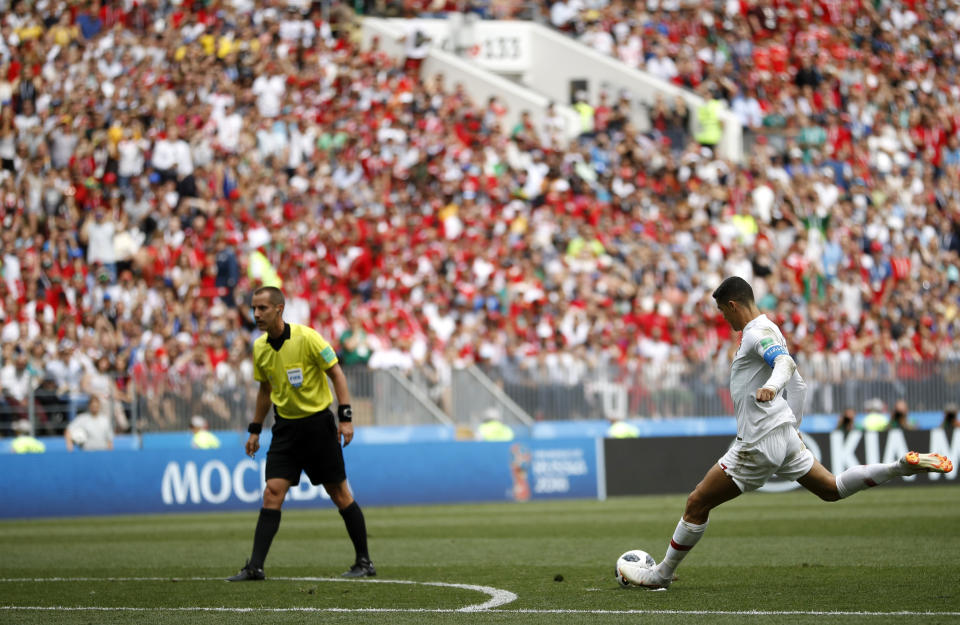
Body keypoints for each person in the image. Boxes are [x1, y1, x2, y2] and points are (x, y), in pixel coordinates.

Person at [621, 277, 953, 590]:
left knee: (697, 503)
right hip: (783, 433)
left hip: (759, 441)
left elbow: (785, 368)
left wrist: (769, 387)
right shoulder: (771, 328)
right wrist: (793, 426)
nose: (723, 318)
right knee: (832, 488)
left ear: (734, 305)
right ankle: (899, 467)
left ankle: (660, 574)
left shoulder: (755, 333)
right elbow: (799, 383)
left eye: (723, 311)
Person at [227, 286, 374, 582]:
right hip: (285, 431)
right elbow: (265, 391)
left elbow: (337, 374)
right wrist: (255, 429)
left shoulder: (308, 338)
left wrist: (346, 418)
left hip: (319, 427)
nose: (256, 314)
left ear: (279, 309)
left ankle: (364, 562)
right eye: (254, 308)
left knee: (340, 494)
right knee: (272, 492)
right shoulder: (260, 348)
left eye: (262, 308)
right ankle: (255, 567)